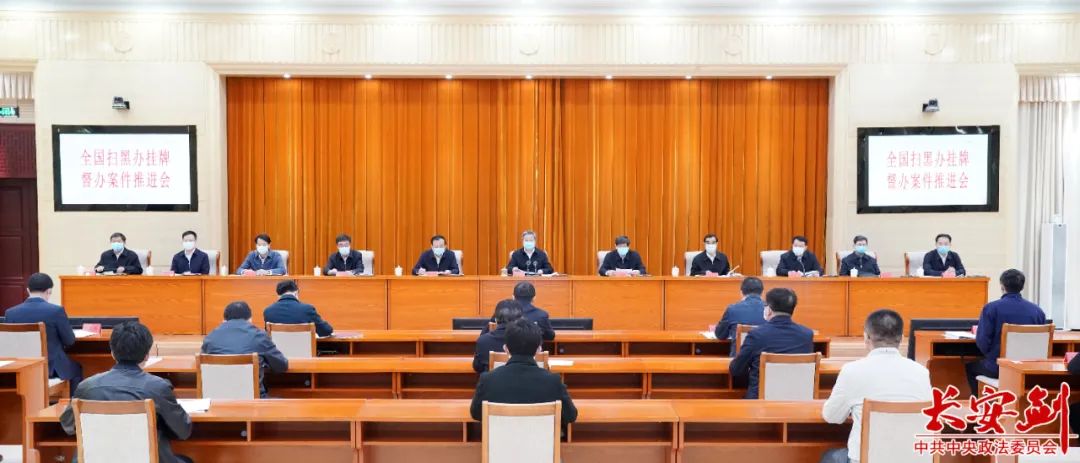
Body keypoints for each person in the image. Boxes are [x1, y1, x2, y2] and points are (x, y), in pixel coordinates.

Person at [60, 322, 193, 463]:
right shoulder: (158, 388)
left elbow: (68, 426)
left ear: (112, 353)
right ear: (147, 355)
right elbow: (183, 431)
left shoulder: (86, 387)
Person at [819, 309, 932, 463]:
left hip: (867, 460)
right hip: (912, 459)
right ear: (902, 338)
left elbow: (832, 416)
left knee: (830, 457)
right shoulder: (921, 372)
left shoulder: (852, 371)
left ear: (866, 337)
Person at [470, 319, 578, 428]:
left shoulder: (488, 379)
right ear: (538, 349)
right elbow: (570, 416)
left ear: (505, 349)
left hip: (500, 438)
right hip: (540, 439)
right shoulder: (553, 381)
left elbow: (476, 414)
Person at [965, 269, 1045, 395]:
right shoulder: (1037, 311)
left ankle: (980, 404)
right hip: (1029, 367)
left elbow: (982, 342)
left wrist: (992, 356)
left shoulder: (991, 308)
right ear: (1022, 287)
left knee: (970, 367)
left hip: (999, 368)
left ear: (1002, 286)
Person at [729, 288, 814, 399]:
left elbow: (736, 370)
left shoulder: (756, 335)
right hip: (797, 401)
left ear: (768, 310)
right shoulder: (807, 335)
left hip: (760, 402)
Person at [4, 273, 82, 394]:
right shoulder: (56, 311)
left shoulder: (10, 313)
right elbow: (69, 341)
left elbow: (9, 345)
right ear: (49, 291)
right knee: (77, 369)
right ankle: (71, 404)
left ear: (28, 290)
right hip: (51, 370)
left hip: (22, 369)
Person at [201, 301, 289, 397]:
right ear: (250, 319)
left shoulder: (210, 337)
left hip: (217, 400)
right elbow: (281, 366)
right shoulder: (259, 336)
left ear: (224, 320)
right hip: (253, 401)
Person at [482, 281, 556, 341]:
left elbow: (484, 333)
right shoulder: (541, 315)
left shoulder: (502, 311)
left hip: (501, 352)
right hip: (530, 353)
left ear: (513, 297)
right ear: (534, 298)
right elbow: (550, 336)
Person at [263, 279, 334, 337]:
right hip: (304, 350)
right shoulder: (307, 309)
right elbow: (326, 331)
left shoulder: (268, 311)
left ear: (278, 295)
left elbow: (268, 335)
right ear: (296, 293)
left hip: (278, 351)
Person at [473, 300, 524, 373]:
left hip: (492, 380)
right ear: (521, 319)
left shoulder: (483, 340)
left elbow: (478, 367)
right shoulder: (530, 339)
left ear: (496, 319)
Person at [714, 277, 767, 343]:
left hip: (741, 349)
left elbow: (720, 335)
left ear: (741, 292)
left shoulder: (732, 309)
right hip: (766, 349)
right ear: (763, 292)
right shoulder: (771, 310)